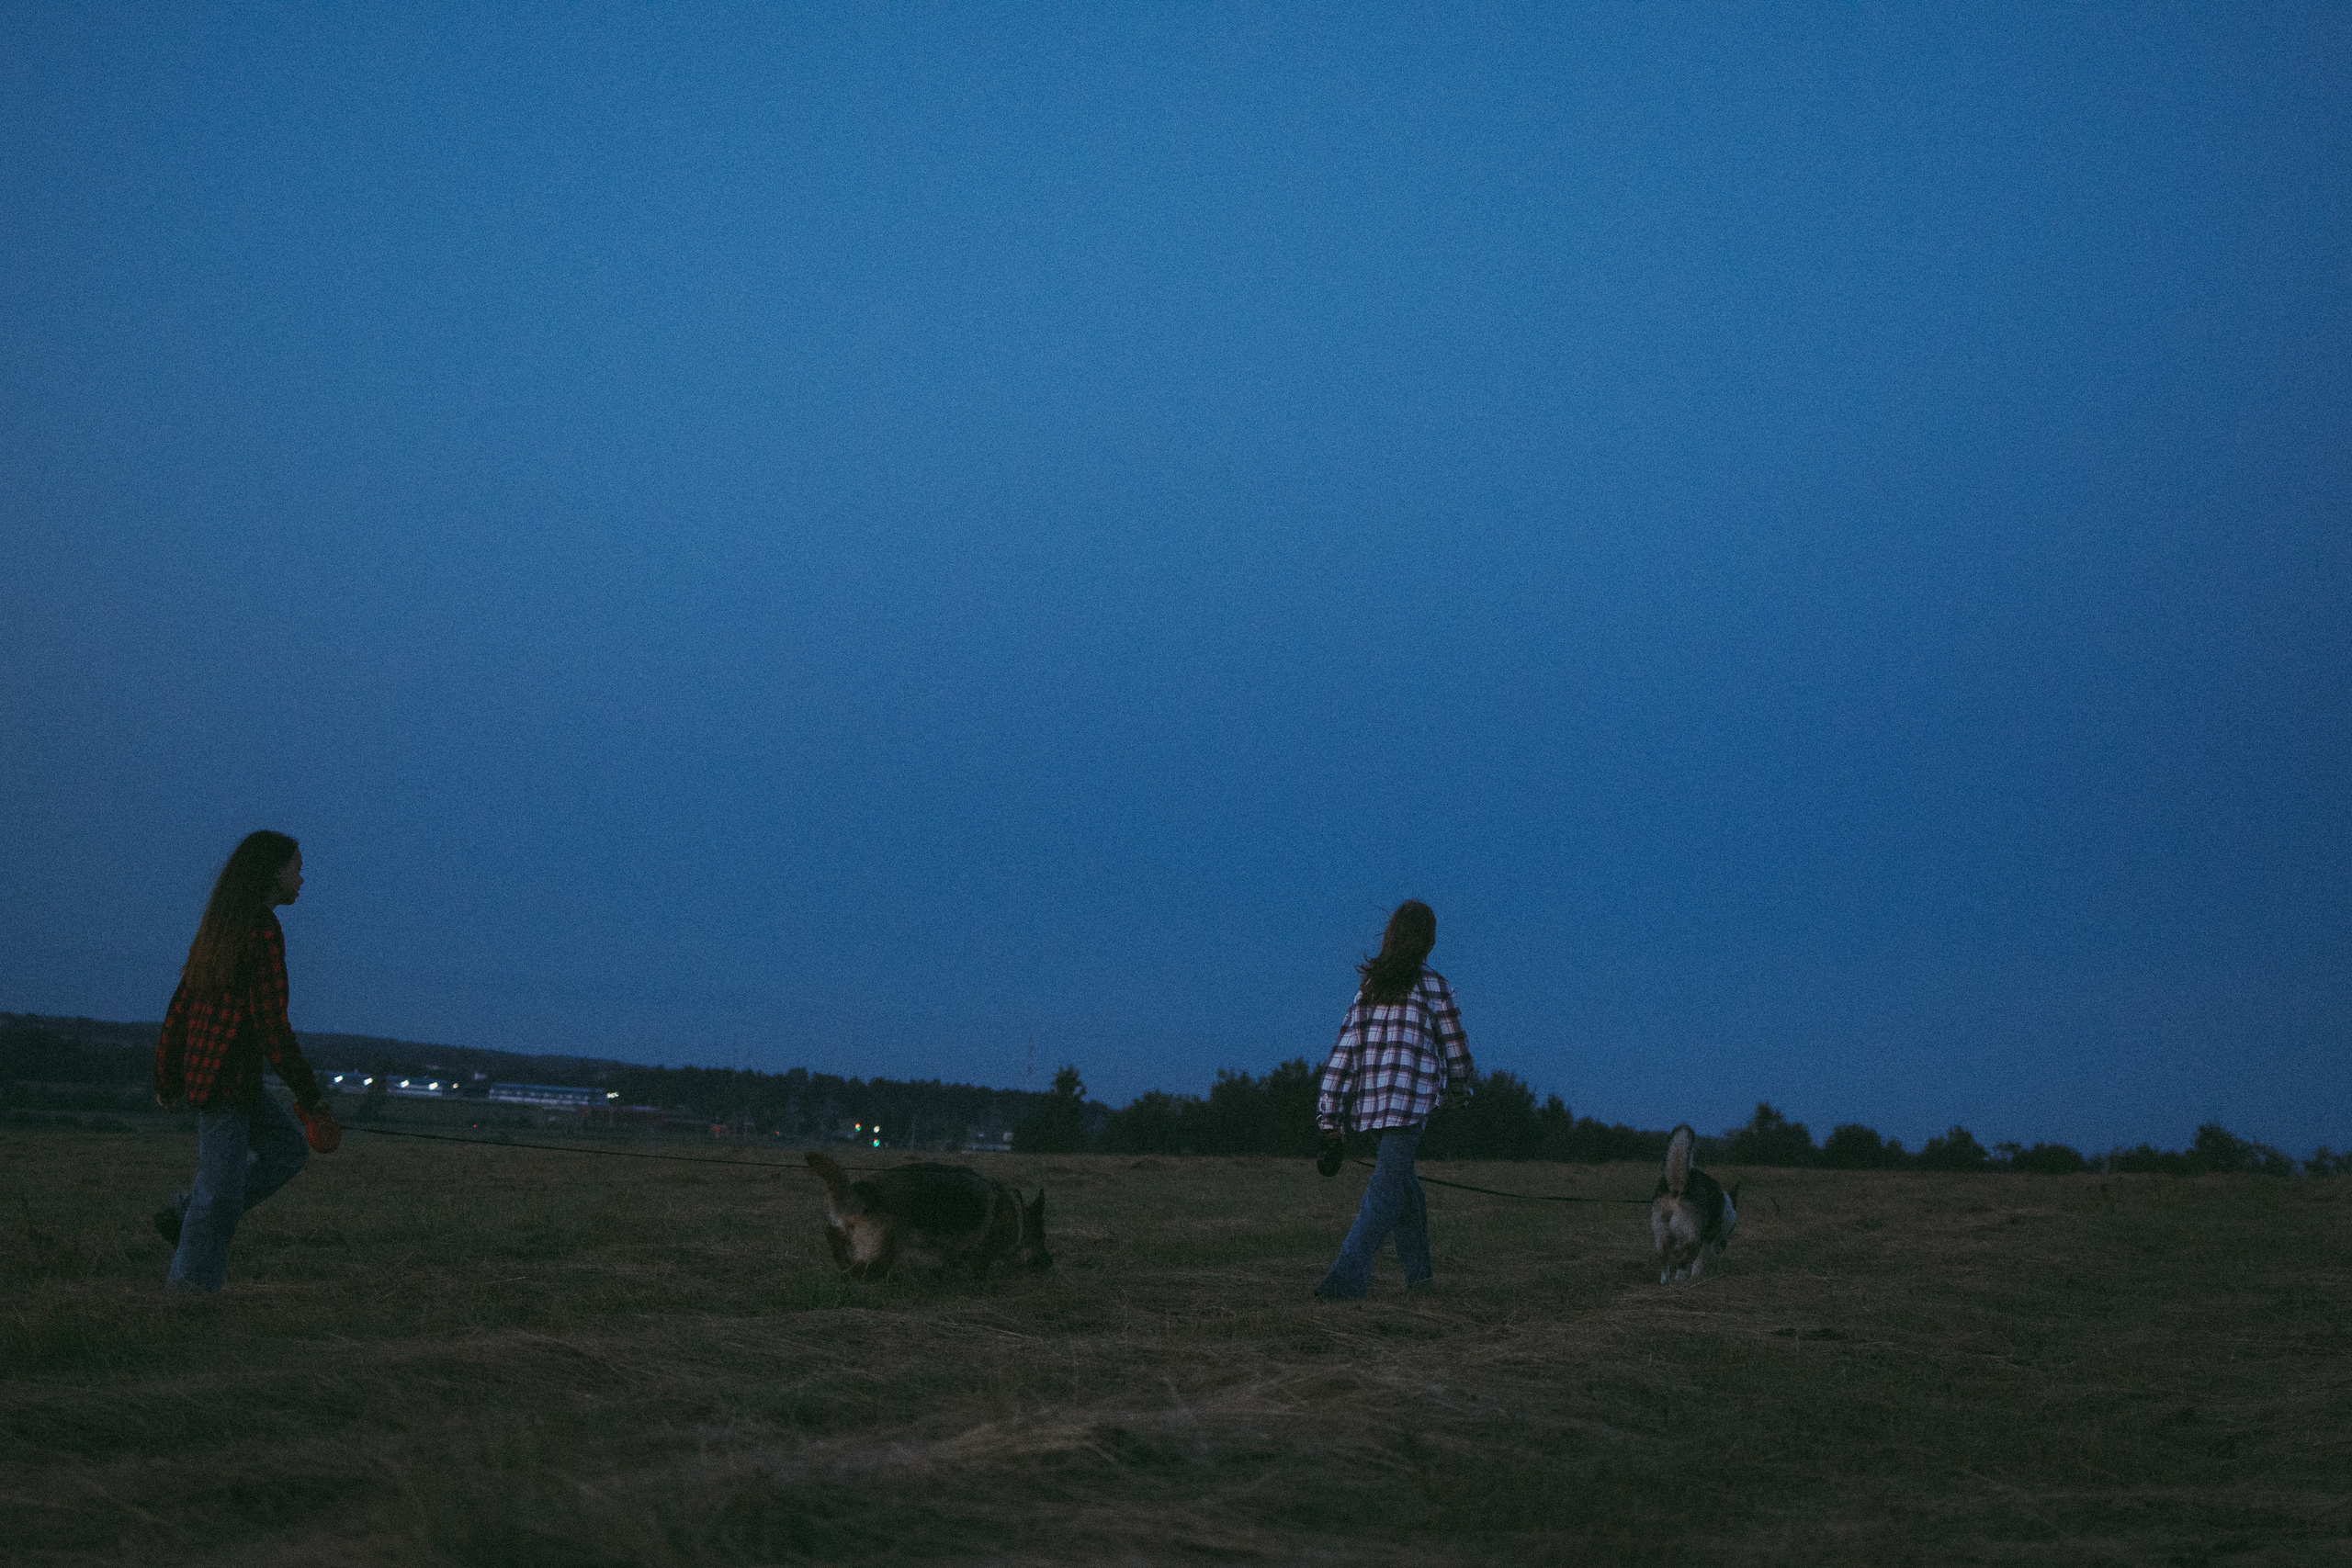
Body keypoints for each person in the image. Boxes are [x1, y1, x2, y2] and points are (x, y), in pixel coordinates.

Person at [152, 830, 337, 1292]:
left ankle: (184, 1214)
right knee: (216, 1194)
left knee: (287, 1151)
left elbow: (181, 1005)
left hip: (230, 1082)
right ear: (273, 872)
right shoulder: (260, 931)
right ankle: (188, 1294)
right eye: (296, 867)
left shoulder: (225, 924)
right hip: (224, 1083)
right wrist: (310, 1096)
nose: (302, 878)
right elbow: (272, 1026)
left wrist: (169, 1074)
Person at [1311, 899, 1473, 1301]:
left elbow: (1342, 1056)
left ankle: (1421, 1286)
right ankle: (1343, 1283)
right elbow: (1457, 1052)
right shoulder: (1434, 986)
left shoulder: (1370, 988)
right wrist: (1456, 1094)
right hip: (1410, 1107)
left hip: (1371, 1109)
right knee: (1386, 1192)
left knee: (1404, 1191)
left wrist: (1329, 1120)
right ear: (1429, 942)